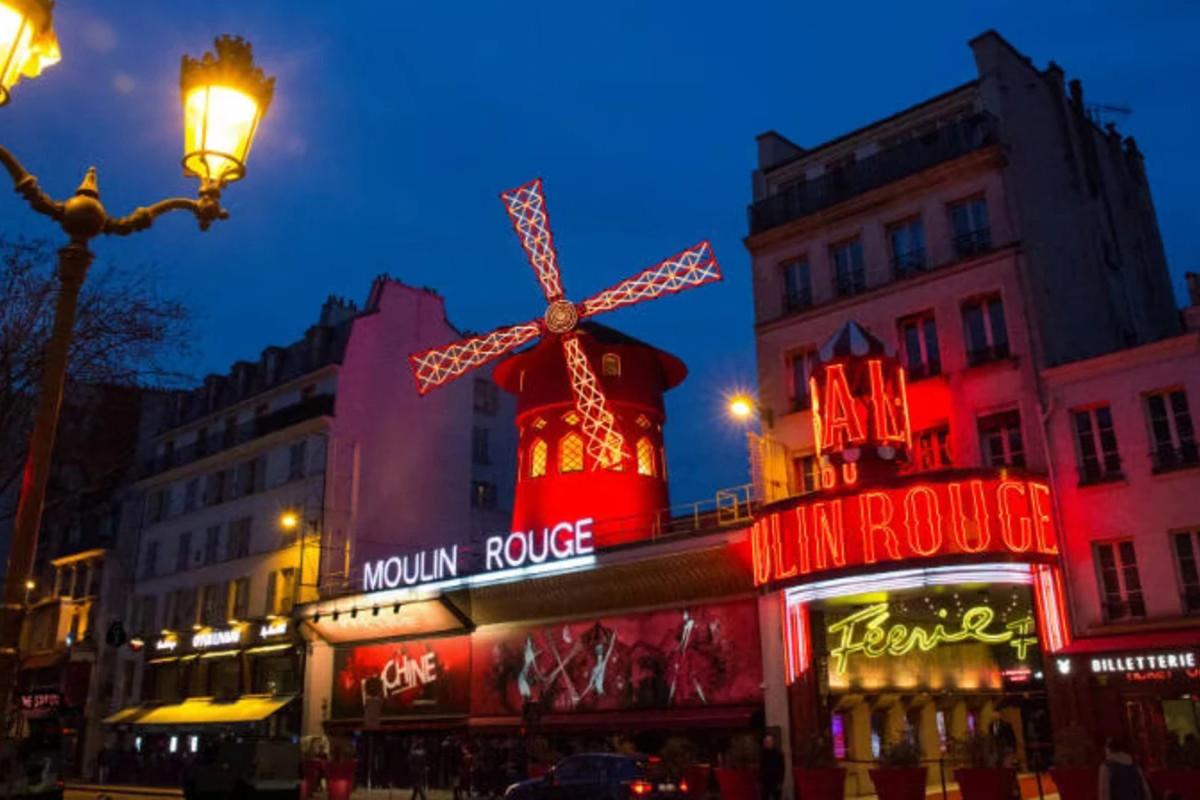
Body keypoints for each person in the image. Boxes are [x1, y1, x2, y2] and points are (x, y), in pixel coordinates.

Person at [1097, 736, 1150, 800]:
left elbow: (1104, 794)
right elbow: (1146, 791)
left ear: (1108, 749)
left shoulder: (1106, 767)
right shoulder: (1135, 766)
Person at [760, 734, 785, 800]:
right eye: (766, 742)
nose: (767, 743)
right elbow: (761, 768)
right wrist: (760, 781)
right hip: (765, 782)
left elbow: (782, 769)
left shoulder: (778, 754)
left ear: (772, 742)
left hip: (775, 782)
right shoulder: (762, 754)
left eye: (768, 741)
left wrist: (780, 782)